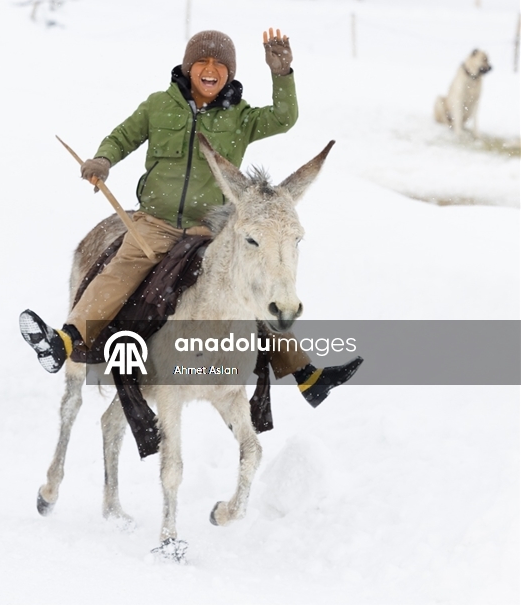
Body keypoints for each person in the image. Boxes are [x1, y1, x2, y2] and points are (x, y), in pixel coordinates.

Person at [19, 29, 362, 408]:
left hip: (209, 228)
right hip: (155, 222)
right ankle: (64, 341)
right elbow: (123, 136)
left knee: (246, 288)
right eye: (203, 62)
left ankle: (307, 376)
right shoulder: (157, 106)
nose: (211, 70)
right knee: (119, 273)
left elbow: (284, 118)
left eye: (220, 65)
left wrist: (282, 76)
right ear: (188, 67)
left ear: (230, 74)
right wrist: (103, 159)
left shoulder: (241, 117)